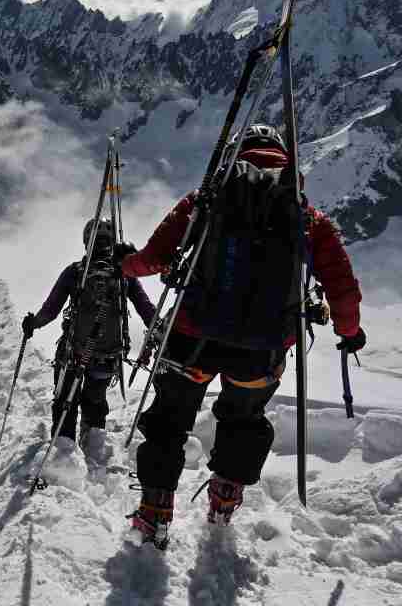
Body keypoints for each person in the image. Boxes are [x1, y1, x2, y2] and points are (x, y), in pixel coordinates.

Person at [118, 124, 364, 546]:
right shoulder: (307, 217)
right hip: (262, 350)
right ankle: (223, 504)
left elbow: (154, 259)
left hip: (192, 340)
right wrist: (350, 331)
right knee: (244, 421)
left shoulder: (206, 201)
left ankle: (154, 512)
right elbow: (341, 287)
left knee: (169, 422)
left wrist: (126, 267)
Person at [22, 218, 156, 450]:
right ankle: (93, 449)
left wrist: (33, 324)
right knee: (95, 403)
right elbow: (147, 309)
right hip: (107, 356)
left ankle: (63, 450)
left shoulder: (75, 272)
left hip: (73, 352)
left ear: (87, 242)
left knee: (65, 401)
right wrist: (162, 331)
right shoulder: (125, 275)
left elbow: (51, 309)